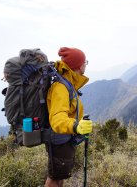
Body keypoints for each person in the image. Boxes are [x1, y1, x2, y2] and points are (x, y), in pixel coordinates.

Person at [45, 47, 93, 187]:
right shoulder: (61, 87)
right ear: (78, 65)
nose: (86, 65)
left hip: (64, 138)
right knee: (54, 178)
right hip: (59, 139)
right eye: (85, 62)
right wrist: (76, 126)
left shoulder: (68, 83)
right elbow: (57, 119)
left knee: (60, 176)